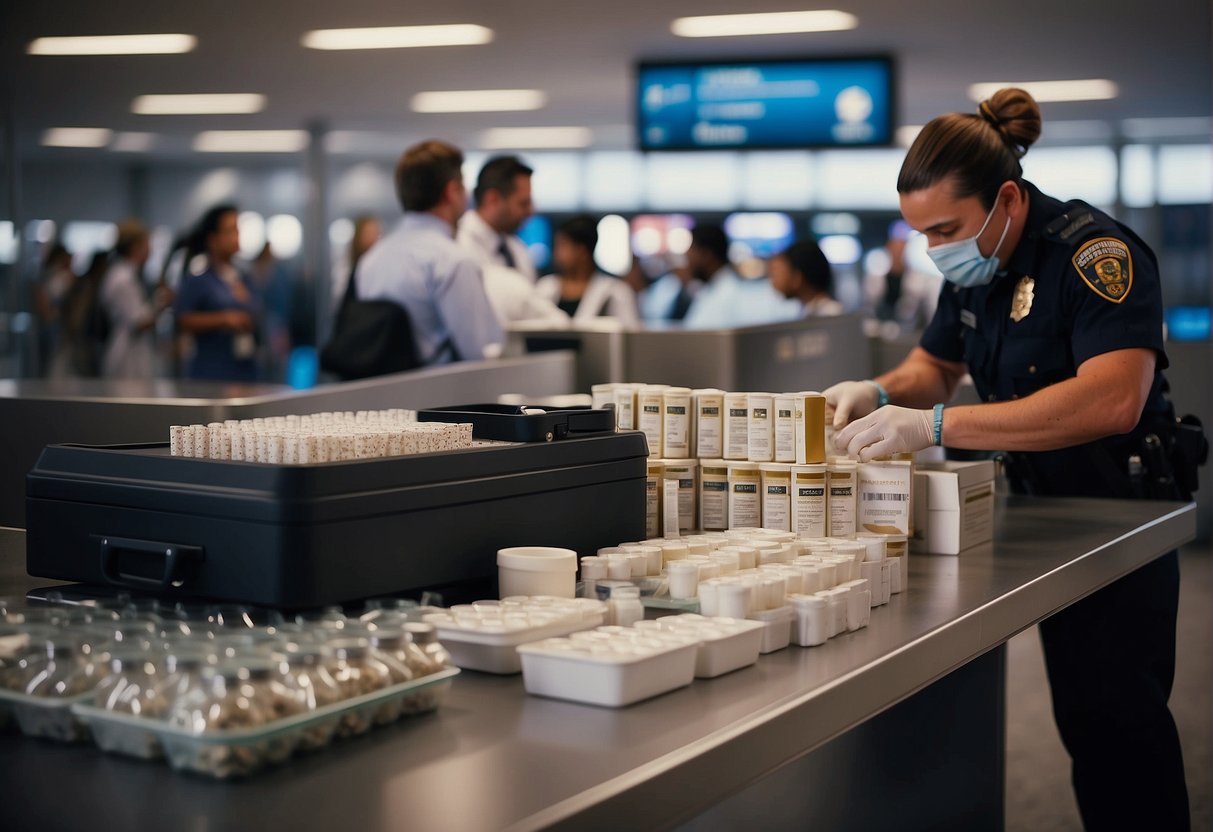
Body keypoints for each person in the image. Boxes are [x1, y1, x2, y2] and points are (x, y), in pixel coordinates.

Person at [826, 88, 1193, 831]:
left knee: (1110, 725)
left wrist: (933, 424)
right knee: (948, 689)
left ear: (1005, 199)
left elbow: (1111, 399)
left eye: (944, 229)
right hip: (1022, 509)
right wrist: (874, 390)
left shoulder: (1093, 256)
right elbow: (931, 367)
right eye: (920, 234)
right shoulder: (976, 264)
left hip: (1111, 521)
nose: (934, 249)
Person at [355, 139, 504, 365]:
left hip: (381, 396)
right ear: (452, 191)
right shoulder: (452, 261)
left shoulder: (371, 259)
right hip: (441, 397)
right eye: (463, 188)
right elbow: (479, 356)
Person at [174, 204, 260, 382]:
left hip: (243, 368)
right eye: (230, 231)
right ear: (213, 239)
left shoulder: (242, 277)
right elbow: (182, 318)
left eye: (237, 230)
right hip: (212, 372)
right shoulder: (199, 278)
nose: (236, 236)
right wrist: (223, 319)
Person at [681, 224, 799, 329]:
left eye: (691, 253)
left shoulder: (727, 295)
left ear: (706, 255)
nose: (687, 261)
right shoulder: (713, 290)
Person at [536, 214, 639, 327]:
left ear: (582, 251)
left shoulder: (615, 292)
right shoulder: (546, 287)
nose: (556, 253)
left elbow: (629, 334)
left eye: (563, 245)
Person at [99, 219, 170, 378]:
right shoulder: (123, 278)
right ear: (136, 246)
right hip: (127, 355)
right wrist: (162, 302)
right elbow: (139, 322)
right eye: (147, 244)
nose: (150, 249)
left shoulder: (127, 274)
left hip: (133, 352)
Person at [457, 155, 537, 280]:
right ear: (492, 199)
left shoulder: (517, 249)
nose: (530, 211)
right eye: (523, 203)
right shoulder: (458, 245)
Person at [768, 239, 844, 317]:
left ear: (797, 278)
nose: (773, 282)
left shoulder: (830, 314)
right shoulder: (809, 311)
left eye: (776, 274)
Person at [330, 215, 382, 304]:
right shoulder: (346, 268)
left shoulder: (381, 266)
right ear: (359, 236)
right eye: (369, 233)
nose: (374, 238)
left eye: (376, 233)